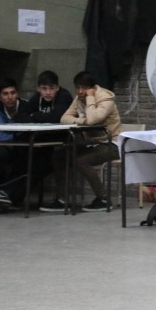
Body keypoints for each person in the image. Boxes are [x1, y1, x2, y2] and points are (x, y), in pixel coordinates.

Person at [40, 71, 122, 212]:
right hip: (91, 144)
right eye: (77, 88)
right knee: (59, 156)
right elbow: (64, 118)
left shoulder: (106, 99)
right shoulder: (79, 98)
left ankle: (103, 199)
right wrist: (83, 121)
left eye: (84, 88)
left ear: (92, 88)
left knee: (81, 160)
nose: (80, 92)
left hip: (111, 144)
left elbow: (93, 120)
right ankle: (62, 199)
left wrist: (90, 98)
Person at [0, 78, 33, 214]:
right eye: (5, 94)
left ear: (17, 94)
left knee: (25, 159)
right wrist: (14, 134)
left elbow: (28, 132)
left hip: (24, 148)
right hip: (3, 148)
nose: (10, 97)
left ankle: (4, 197)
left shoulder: (27, 107)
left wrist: (9, 134)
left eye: (13, 93)